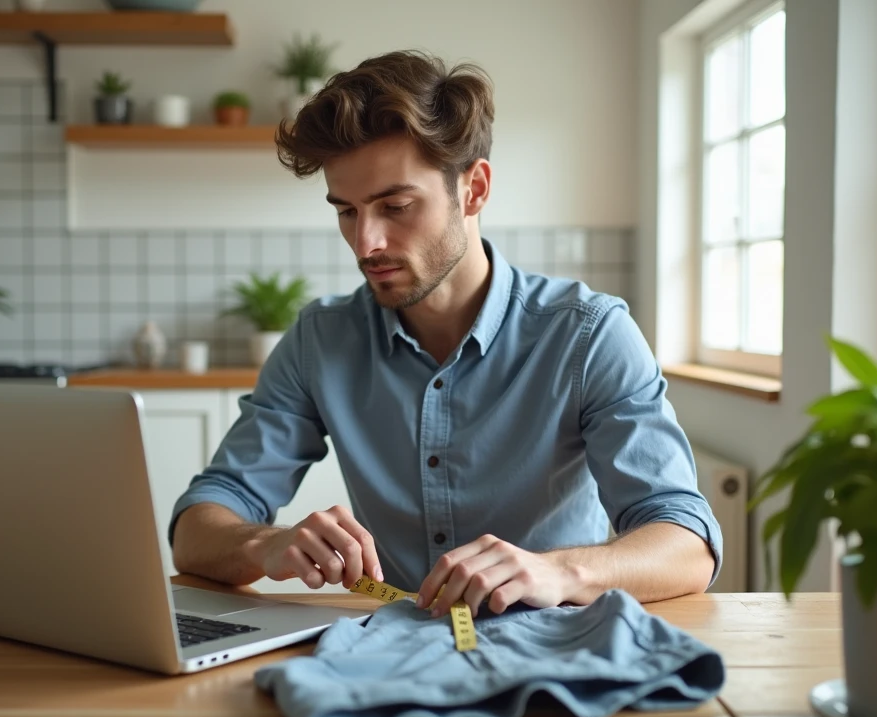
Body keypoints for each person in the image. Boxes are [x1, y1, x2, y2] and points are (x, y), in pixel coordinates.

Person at [170, 50, 721, 618]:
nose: (366, 244)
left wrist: (554, 571)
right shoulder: (320, 341)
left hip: (559, 641)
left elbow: (687, 546)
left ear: (474, 189)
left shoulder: (589, 335)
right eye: (347, 212)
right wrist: (268, 544)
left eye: (396, 206)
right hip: (390, 647)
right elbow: (197, 526)